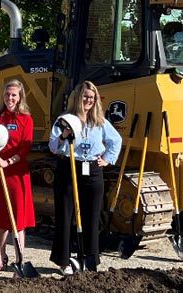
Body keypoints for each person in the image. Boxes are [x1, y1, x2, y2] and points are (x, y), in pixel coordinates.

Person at [48, 81, 121, 274]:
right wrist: (64, 135)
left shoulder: (100, 121)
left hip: (92, 169)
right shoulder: (65, 119)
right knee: (65, 215)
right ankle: (64, 261)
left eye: (92, 97)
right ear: (78, 98)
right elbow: (54, 147)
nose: (89, 100)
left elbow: (116, 140)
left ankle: (90, 260)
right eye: (85, 96)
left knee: (92, 216)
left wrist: (107, 159)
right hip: (69, 167)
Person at [0, 80, 35, 275]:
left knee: (18, 218)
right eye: (7, 94)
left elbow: (25, 147)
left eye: (14, 95)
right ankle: (0, 257)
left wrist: (9, 161)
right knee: (0, 217)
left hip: (16, 173)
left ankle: (20, 260)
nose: (10, 98)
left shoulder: (26, 119)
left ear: (20, 97)